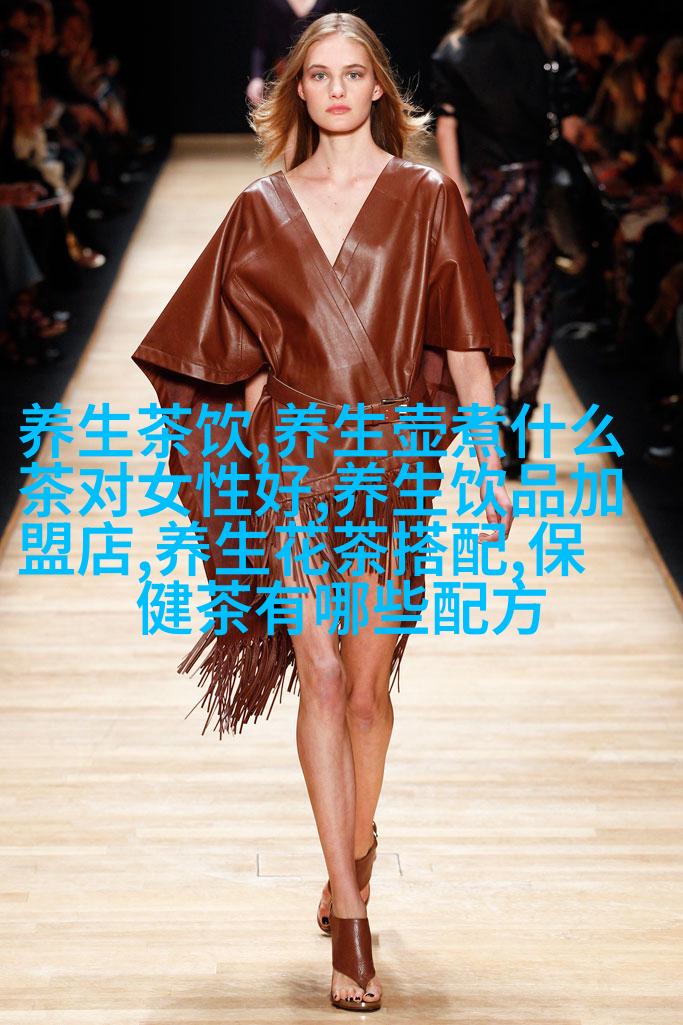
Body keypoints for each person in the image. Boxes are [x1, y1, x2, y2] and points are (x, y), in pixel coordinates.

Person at [131, 11, 515, 1013]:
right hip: (294, 465)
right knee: (324, 673)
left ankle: (359, 840)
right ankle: (349, 909)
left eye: (352, 74)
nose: (336, 90)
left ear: (378, 87)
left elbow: (464, 340)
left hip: (390, 465)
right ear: (294, 90)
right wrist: (251, 428)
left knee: (368, 694)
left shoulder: (426, 198)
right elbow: (206, 348)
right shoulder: (260, 208)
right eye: (318, 75)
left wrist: (490, 460)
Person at [430, 0, 584, 478]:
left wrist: (457, 186)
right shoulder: (551, 46)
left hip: (491, 191)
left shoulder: (458, 49)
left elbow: (447, 122)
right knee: (539, 302)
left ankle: (496, 416)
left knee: (493, 305)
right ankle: (524, 414)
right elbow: (572, 127)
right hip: (541, 189)